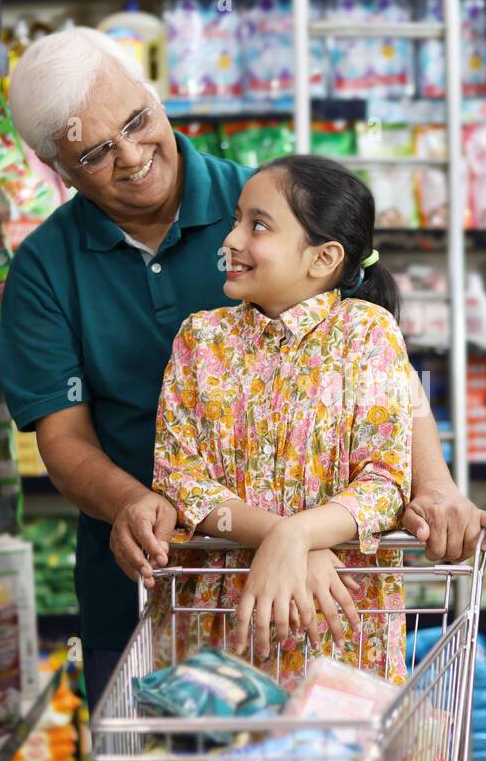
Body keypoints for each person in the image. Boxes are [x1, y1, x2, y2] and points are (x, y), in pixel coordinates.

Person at [0, 28, 486, 710]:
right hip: (163, 573)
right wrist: (140, 505)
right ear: (54, 166)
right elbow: (63, 439)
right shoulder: (44, 269)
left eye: (139, 122)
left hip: (335, 585)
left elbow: (381, 373)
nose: (133, 156)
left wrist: (433, 485)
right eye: (95, 152)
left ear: (153, 96)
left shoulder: (268, 205)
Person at [152, 155, 412, 688]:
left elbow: (385, 483)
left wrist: (299, 535)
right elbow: (179, 478)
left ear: (323, 258)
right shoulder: (200, 340)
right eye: (235, 220)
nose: (231, 240)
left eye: (259, 225)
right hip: (218, 631)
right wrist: (288, 540)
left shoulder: (367, 334)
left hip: (340, 631)